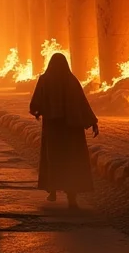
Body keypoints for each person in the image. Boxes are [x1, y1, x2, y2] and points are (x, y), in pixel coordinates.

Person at [29, 52, 99, 209]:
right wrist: (92, 122)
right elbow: (83, 103)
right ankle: (71, 196)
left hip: (53, 128)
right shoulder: (71, 80)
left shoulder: (45, 79)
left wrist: (38, 112)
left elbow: (36, 103)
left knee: (53, 158)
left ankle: (52, 189)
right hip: (71, 130)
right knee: (71, 160)